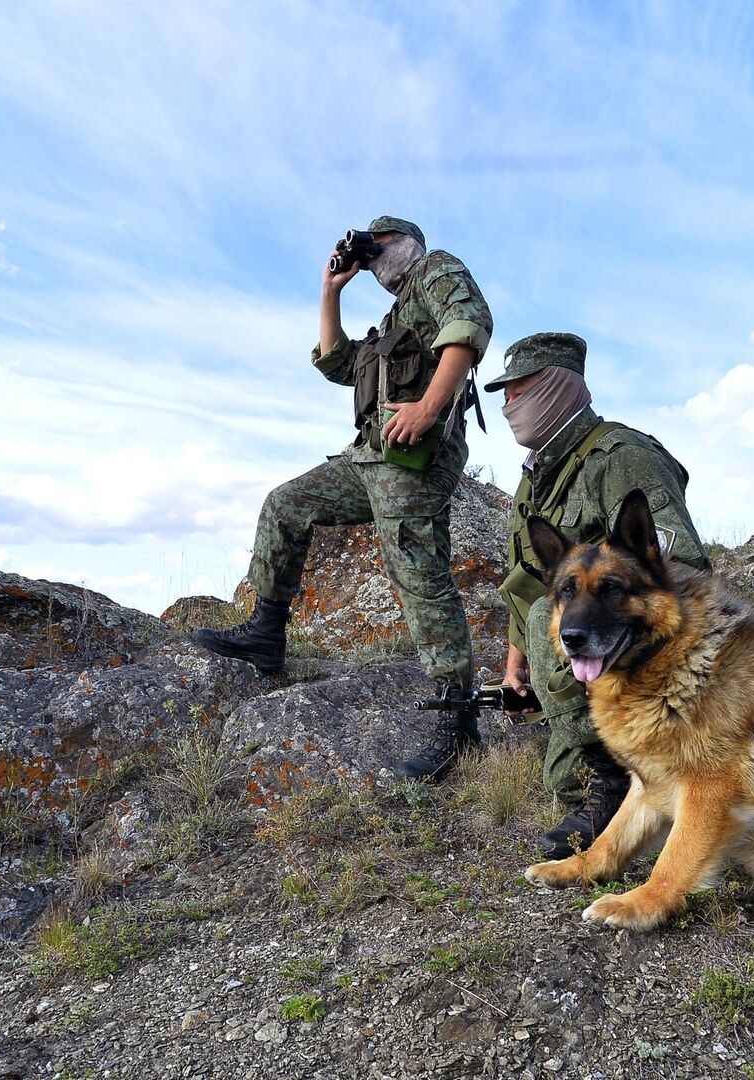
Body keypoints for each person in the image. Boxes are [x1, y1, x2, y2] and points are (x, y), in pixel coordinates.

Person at [193, 216, 493, 782]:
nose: (373, 258)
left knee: (416, 567)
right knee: (287, 505)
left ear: (406, 243)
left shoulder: (436, 270)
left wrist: (428, 407)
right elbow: (337, 362)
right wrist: (331, 291)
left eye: (379, 247)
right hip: (369, 458)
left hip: (414, 456)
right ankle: (266, 634)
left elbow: (470, 325)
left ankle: (458, 721)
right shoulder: (394, 318)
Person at [484, 332, 711, 858]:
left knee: (563, 613)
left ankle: (615, 785)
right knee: (559, 772)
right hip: (589, 661)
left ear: (557, 387)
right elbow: (529, 583)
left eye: (518, 392)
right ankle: (603, 776)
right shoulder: (536, 478)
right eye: (503, 395)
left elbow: (680, 568)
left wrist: (623, 649)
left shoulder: (622, 457)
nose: (507, 406)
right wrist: (518, 665)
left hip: (647, 663)